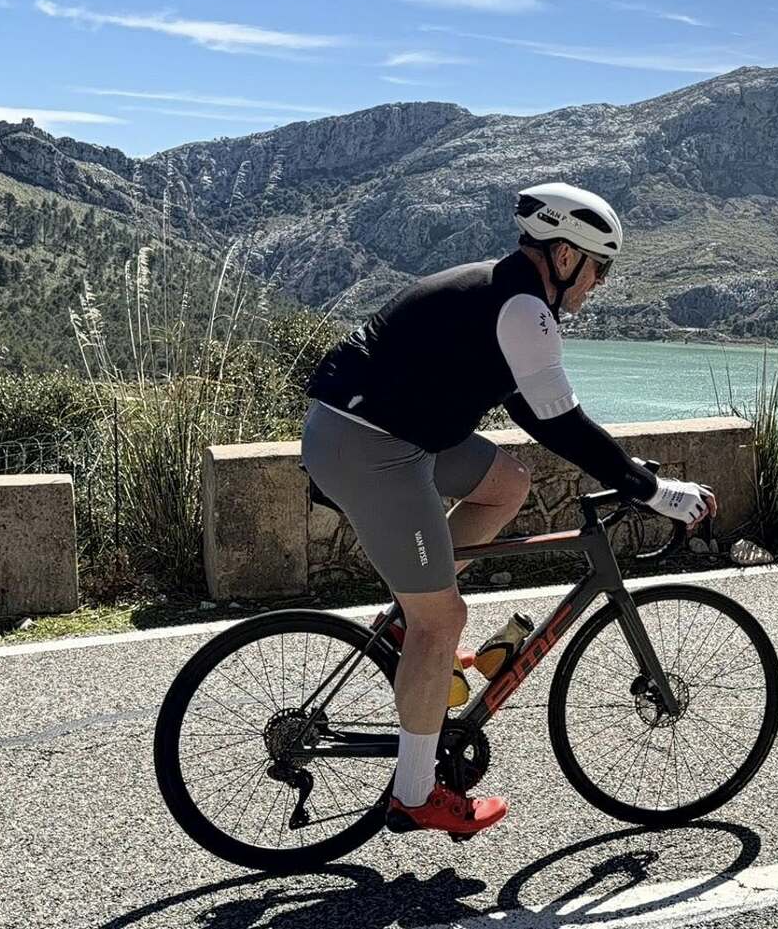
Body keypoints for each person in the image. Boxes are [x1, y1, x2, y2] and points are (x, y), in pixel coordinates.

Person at [300, 182, 716, 838]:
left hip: (390, 432)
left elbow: (532, 409)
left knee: (506, 483)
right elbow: (564, 424)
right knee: (445, 619)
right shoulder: (522, 307)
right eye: (599, 268)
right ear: (565, 256)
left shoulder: (507, 294)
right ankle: (415, 794)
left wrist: (625, 472)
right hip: (371, 447)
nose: (599, 284)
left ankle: (411, 624)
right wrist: (651, 490)